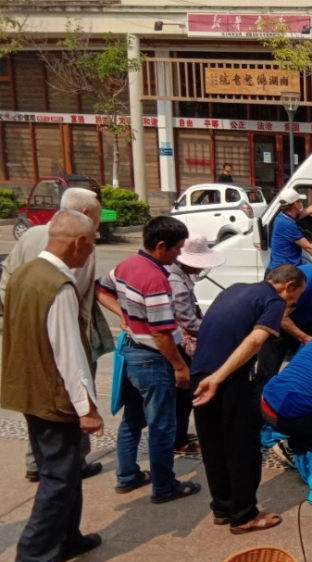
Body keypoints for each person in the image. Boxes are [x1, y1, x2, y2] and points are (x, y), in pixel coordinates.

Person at [3, 211, 104, 562]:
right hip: (52, 395)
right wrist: (87, 408)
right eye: (91, 244)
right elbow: (69, 353)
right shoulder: (59, 286)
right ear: (78, 243)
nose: (90, 252)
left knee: (65, 470)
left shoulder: (23, 273)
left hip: (28, 389)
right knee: (58, 480)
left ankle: (68, 537)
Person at [0, 188, 109, 483]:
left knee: (38, 413)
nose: (93, 244)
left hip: (25, 340)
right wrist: (87, 410)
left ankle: (38, 462)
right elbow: (70, 351)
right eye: (97, 219)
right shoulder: (66, 271)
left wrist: (21, 322)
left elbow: (6, 283)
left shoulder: (30, 240)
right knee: (62, 439)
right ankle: (69, 465)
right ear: (83, 216)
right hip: (61, 349)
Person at [191, 264, 306, 534]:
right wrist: (219, 378)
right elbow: (255, 341)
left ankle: (223, 507)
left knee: (214, 445)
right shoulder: (274, 301)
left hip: (200, 373)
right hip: (227, 380)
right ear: (288, 286)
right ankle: (244, 515)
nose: (294, 303)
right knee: (242, 448)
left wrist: (211, 376)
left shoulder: (234, 290)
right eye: (297, 296)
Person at [96, 216, 201, 504]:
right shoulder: (156, 279)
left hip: (132, 353)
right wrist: (180, 367)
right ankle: (164, 486)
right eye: (177, 249)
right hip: (153, 360)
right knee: (162, 426)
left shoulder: (127, 265)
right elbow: (161, 333)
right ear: (161, 246)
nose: (178, 255)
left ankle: (127, 475)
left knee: (132, 419)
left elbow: (101, 289)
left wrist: (125, 316)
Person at [168, 232, 225, 456]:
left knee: (182, 397)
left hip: (181, 341)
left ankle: (179, 434)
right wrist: (212, 332)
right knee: (182, 396)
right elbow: (188, 321)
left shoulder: (180, 276)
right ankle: (178, 440)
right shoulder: (177, 282)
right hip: (178, 345)